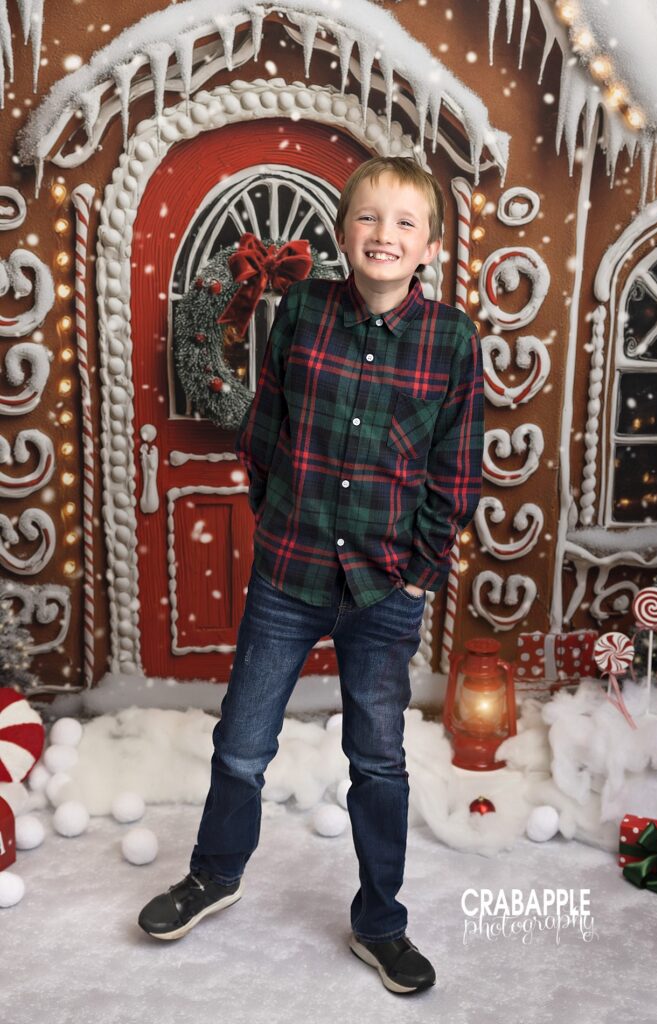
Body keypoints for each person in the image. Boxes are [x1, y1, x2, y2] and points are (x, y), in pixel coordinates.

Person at [138, 156, 485, 995]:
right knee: (242, 742)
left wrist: (418, 574)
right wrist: (275, 516)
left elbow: (457, 471)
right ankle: (215, 874)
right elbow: (269, 425)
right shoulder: (303, 308)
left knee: (378, 758)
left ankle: (380, 922)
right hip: (290, 571)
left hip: (383, 587)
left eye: (404, 223)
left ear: (429, 247)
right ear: (342, 234)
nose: (384, 236)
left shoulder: (450, 340)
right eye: (367, 219)